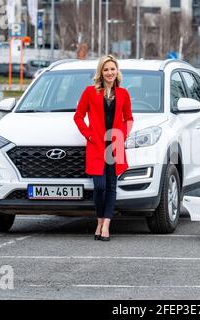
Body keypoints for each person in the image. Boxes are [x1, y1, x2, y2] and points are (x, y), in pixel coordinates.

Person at [74, 55, 134, 241]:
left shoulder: (123, 93)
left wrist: (122, 134)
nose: (109, 73)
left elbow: (129, 118)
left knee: (111, 186)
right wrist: (89, 134)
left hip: (114, 146)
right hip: (97, 146)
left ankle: (105, 224)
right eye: (106, 69)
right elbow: (78, 116)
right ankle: (99, 219)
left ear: (117, 72)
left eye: (112, 69)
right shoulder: (90, 92)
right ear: (101, 72)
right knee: (99, 187)